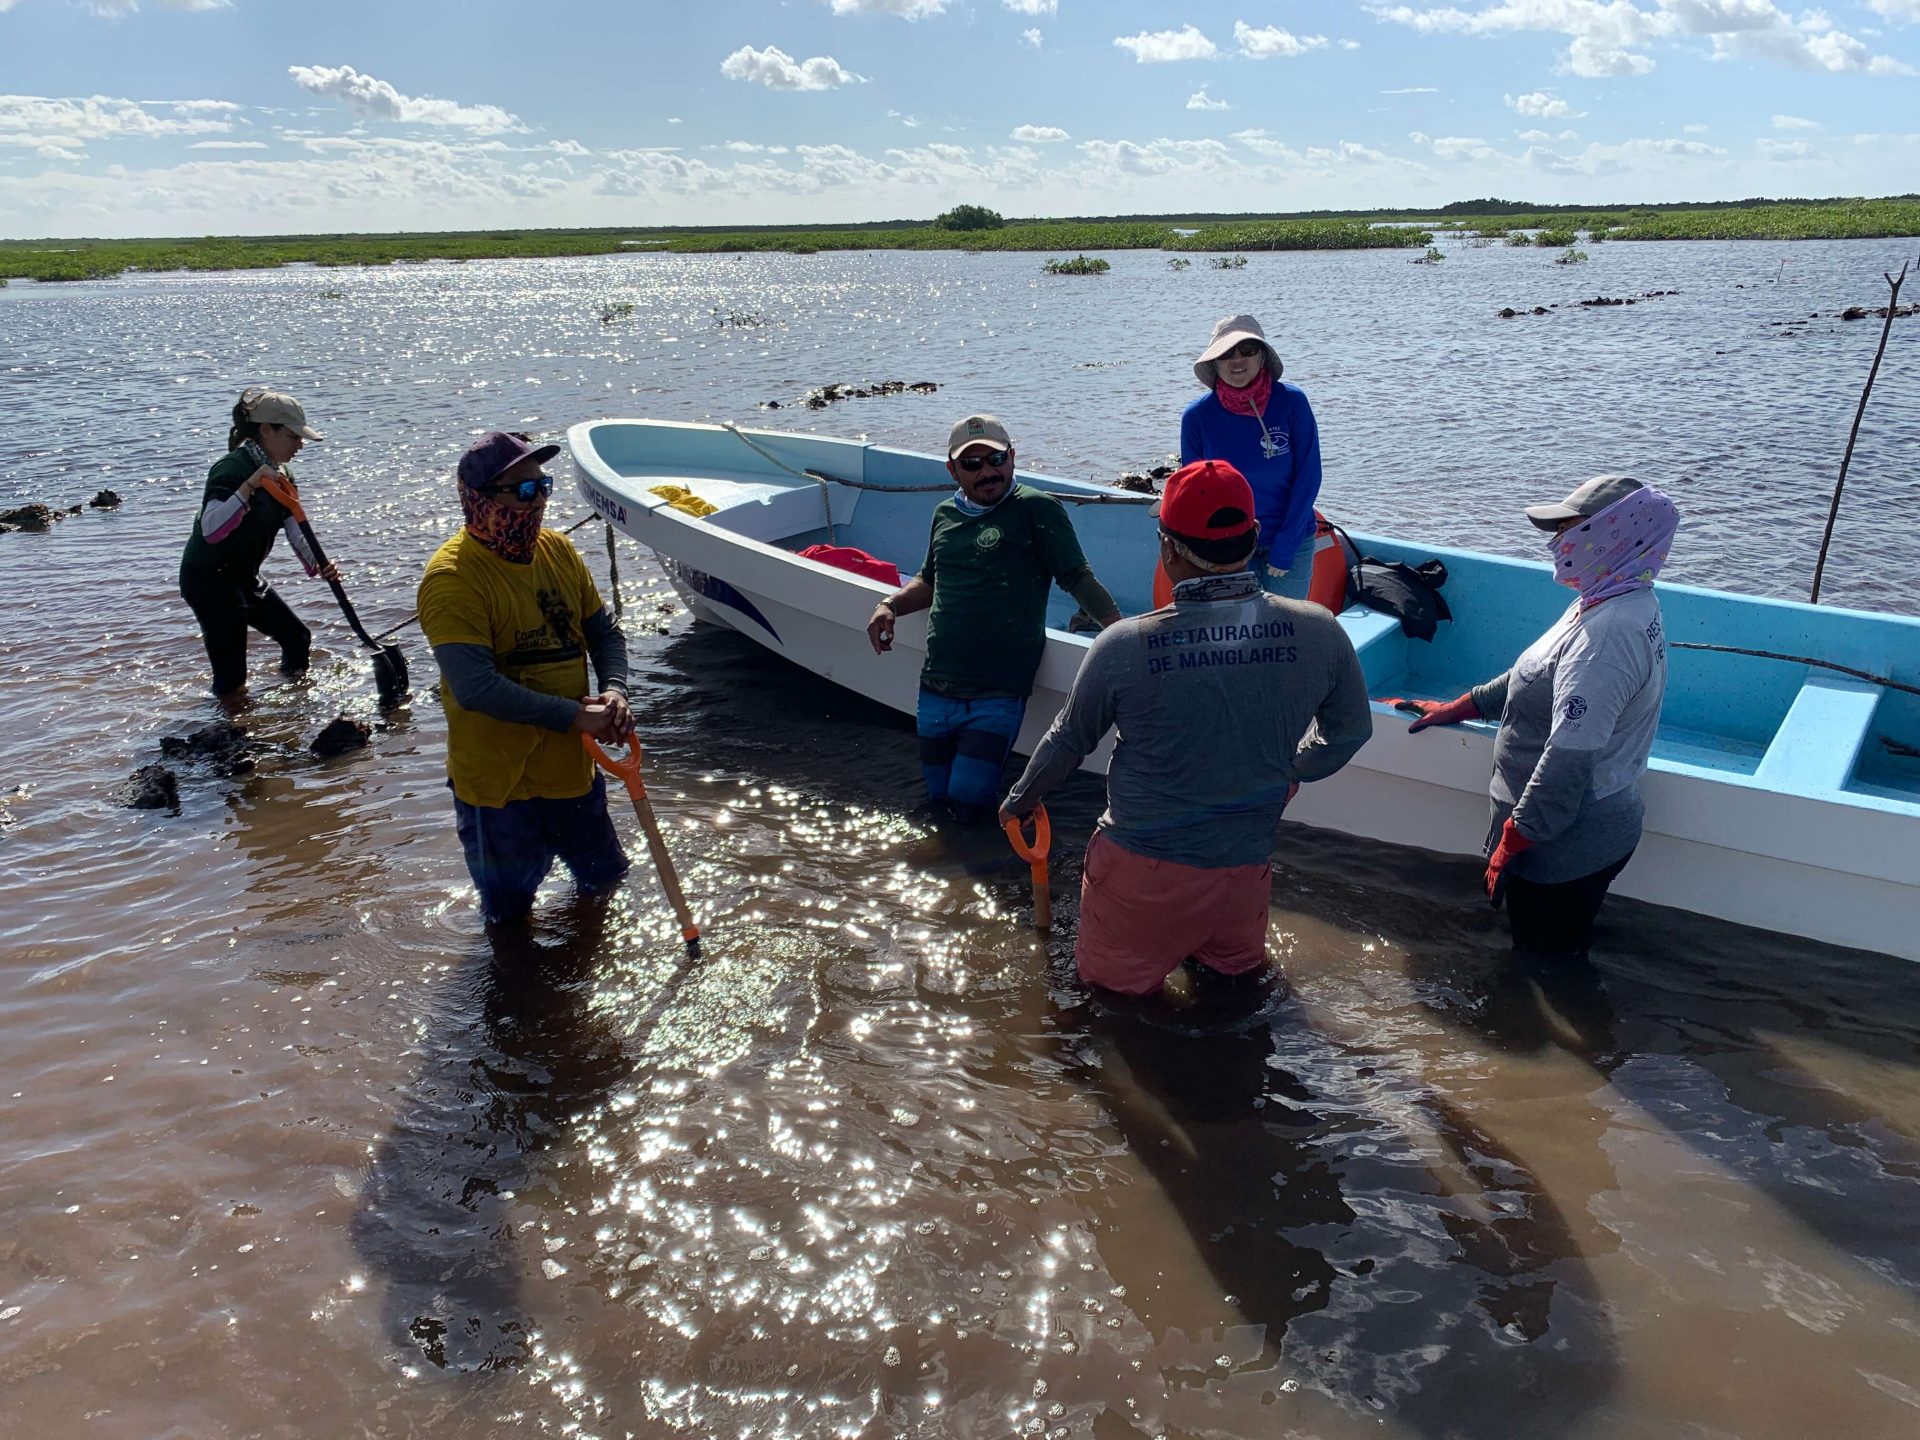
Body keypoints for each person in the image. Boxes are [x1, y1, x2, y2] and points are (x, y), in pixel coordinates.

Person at [999, 459, 1373, 997]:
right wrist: (1289, 770)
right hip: (1242, 872)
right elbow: (1348, 733)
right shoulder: (1319, 630)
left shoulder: (1123, 644)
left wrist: (1018, 800)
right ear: (1255, 537)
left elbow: (1068, 742)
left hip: (1142, 876)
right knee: (1232, 1001)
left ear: (1168, 548)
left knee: (1112, 1010)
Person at [1387, 475, 1678, 959]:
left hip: (1562, 848)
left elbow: (1569, 758)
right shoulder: (1613, 593)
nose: (1557, 541)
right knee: (1559, 944)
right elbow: (1537, 671)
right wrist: (1466, 704)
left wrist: (1512, 840)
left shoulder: (1604, 638)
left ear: (1612, 536)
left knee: (1544, 963)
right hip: (1560, 838)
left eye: (1571, 528)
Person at [418, 431, 636, 926]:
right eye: (521, 491)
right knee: (510, 920)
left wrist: (615, 691)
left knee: (605, 887)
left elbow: (604, 635)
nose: (535, 503)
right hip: (500, 790)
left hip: (570, 773)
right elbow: (475, 687)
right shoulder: (453, 578)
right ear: (479, 500)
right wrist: (576, 716)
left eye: (543, 487)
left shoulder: (557, 551)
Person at [866, 413, 1124, 823]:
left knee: (968, 805)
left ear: (1012, 458)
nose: (987, 472)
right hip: (936, 684)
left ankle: (975, 879)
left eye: (996, 459)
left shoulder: (1037, 508)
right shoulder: (944, 515)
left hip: (997, 691)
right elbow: (929, 580)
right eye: (972, 464)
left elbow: (1077, 577)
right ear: (953, 470)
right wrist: (890, 605)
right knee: (938, 800)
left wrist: (1121, 634)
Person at [178, 387, 341, 699]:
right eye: (293, 436)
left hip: (243, 575)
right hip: (208, 579)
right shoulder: (231, 469)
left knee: (297, 638)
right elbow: (212, 529)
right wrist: (250, 486)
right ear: (266, 430)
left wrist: (320, 564)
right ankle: (228, 737)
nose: (300, 444)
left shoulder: (284, 475)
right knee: (232, 674)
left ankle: (294, 708)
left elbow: (296, 530)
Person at [1179, 314, 1323, 601]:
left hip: (1291, 539)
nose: (1237, 360)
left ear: (1262, 357)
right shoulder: (1197, 417)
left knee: (1285, 635)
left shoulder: (1293, 403)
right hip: (1227, 546)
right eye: (1226, 353)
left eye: (1247, 350)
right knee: (1236, 635)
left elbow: (1309, 476)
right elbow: (1195, 495)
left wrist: (1285, 546)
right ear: (1214, 362)